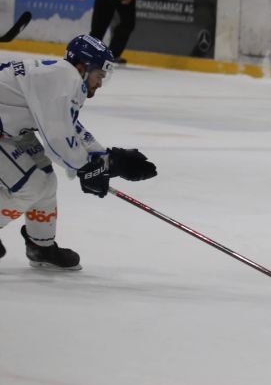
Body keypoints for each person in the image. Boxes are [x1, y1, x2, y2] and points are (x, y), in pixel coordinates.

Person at [0, 35, 157, 270]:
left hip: (11, 132)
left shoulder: (63, 77)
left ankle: (40, 246)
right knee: (32, 186)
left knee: (46, 183)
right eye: (99, 75)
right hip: (6, 132)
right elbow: (57, 137)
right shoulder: (64, 78)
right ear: (83, 67)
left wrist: (107, 159)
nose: (100, 83)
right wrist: (87, 167)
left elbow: (70, 127)